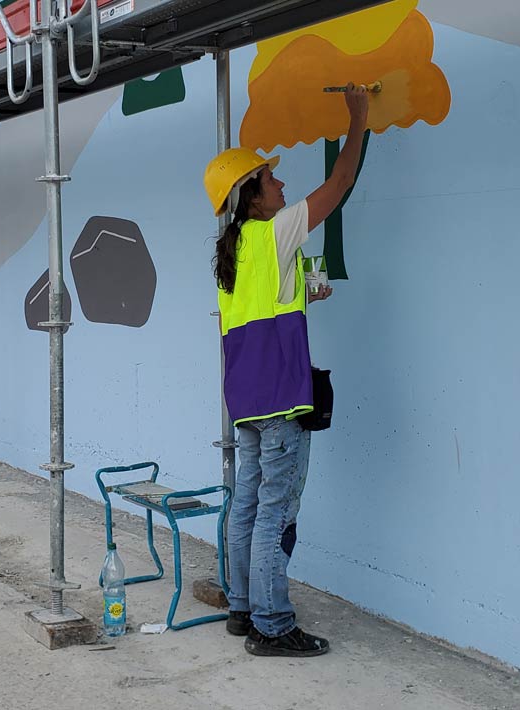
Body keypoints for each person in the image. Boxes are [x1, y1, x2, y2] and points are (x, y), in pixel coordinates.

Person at [203, 84, 370, 657]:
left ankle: (243, 608)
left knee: (248, 506)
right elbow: (340, 183)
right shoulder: (276, 231)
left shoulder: (233, 251)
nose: (281, 184)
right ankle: (272, 625)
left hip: (247, 402)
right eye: (271, 179)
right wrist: (358, 120)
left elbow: (260, 316)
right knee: (276, 513)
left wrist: (303, 297)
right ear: (251, 195)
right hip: (280, 400)